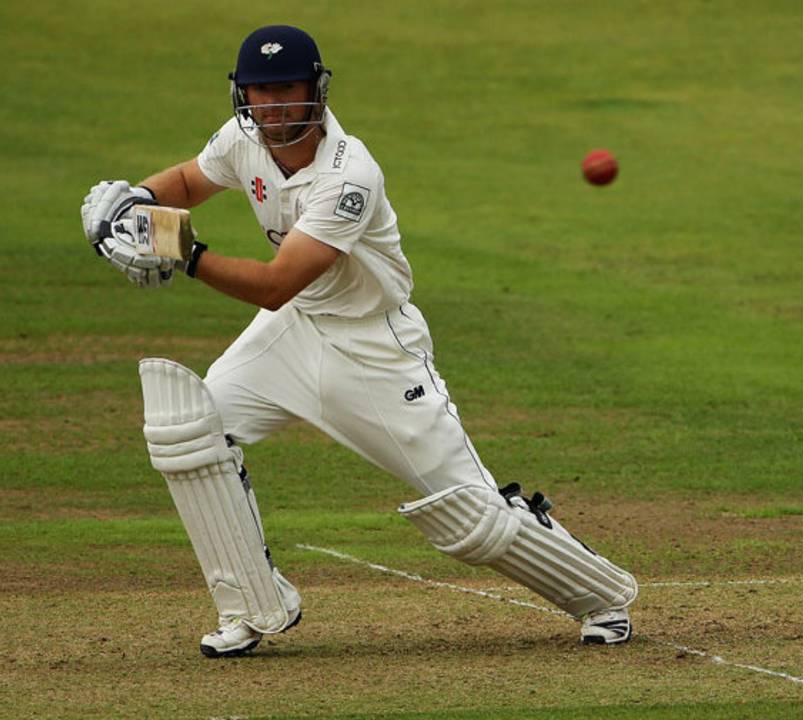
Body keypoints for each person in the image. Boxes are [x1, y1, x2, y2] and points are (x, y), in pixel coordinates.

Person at [79, 25, 636, 658]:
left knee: (469, 513)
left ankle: (600, 594)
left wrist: (174, 245)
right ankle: (252, 606)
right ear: (243, 97)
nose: (274, 106)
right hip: (294, 332)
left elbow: (274, 284)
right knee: (190, 430)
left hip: (374, 346)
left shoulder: (349, 176)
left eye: (287, 90)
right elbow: (186, 179)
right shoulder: (243, 137)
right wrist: (137, 202)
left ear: (315, 91)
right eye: (261, 93)